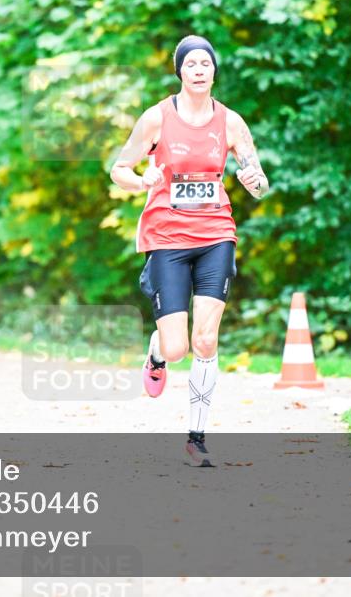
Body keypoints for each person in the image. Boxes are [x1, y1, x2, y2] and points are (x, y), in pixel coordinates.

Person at [109, 35, 269, 466]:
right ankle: (158, 351)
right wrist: (143, 181)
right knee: (177, 347)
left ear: (214, 71)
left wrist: (255, 183)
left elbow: (258, 178)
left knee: (205, 338)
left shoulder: (232, 123)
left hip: (216, 233)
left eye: (206, 63)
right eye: (191, 63)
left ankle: (196, 437)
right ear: (180, 70)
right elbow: (118, 169)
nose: (199, 69)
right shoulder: (157, 119)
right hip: (167, 237)